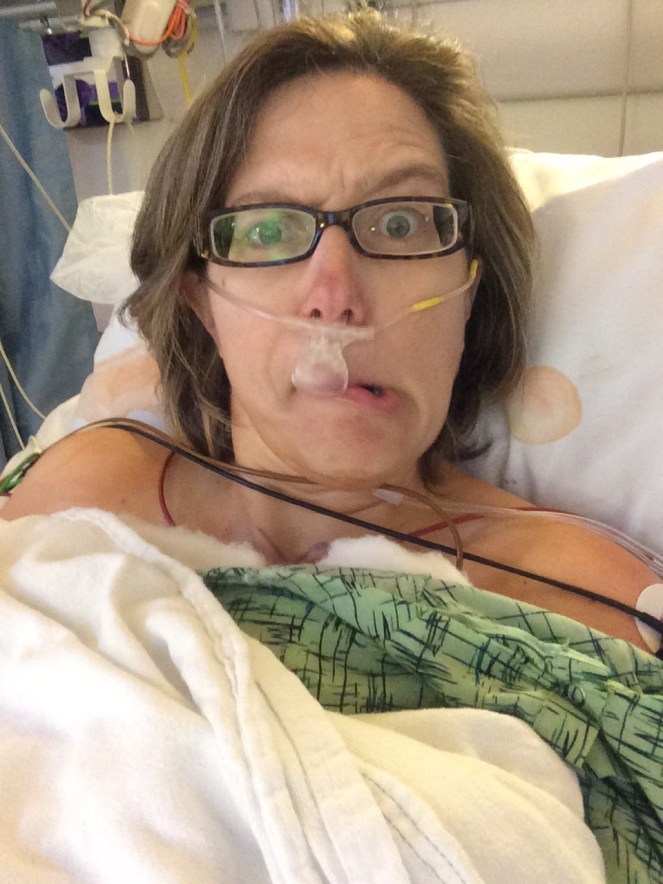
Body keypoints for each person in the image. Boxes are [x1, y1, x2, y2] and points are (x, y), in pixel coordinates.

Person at [1, 11, 659, 654]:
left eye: (400, 223)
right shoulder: (80, 497)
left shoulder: (581, 604)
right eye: (267, 229)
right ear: (201, 302)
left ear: (468, 293)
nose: (335, 298)